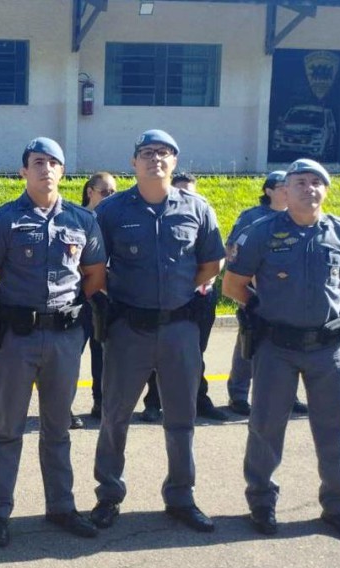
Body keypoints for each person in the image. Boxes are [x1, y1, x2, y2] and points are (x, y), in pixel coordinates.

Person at [222, 159, 340, 541]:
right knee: (265, 429)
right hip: (277, 347)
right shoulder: (261, 232)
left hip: (328, 349)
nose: (309, 188)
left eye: (317, 182)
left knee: (333, 432)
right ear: (285, 190)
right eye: (300, 182)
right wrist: (266, 311)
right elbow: (234, 285)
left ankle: (339, 507)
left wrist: (329, 311)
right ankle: (261, 501)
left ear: (327, 190)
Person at [0, 137, 105, 547]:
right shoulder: (4, 221)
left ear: (63, 172)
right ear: (23, 172)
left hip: (65, 337)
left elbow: (94, 277)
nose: (45, 168)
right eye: (37, 162)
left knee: (58, 428)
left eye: (53, 162)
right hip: (17, 339)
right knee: (6, 429)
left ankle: (61, 507)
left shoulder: (83, 221)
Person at [90, 129, 225, 534]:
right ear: (134, 163)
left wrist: (178, 294)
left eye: (164, 153)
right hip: (129, 328)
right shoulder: (111, 211)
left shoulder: (198, 209)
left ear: (175, 162)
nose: (156, 159)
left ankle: (181, 496)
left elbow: (211, 264)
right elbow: (95, 268)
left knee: (181, 417)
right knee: (115, 416)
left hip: (180, 328)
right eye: (147, 153)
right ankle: (108, 496)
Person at [137, 172, 228, 423]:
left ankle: (199, 399)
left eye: (190, 191)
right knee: (161, 352)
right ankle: (154, 402)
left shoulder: (203, 214)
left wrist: (203, 280)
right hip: (173, 297)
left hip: (202, 296)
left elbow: (216, 255)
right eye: (181, 191)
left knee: (197, 353)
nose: (186, 195)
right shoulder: (163, 219)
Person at [225, 171, 309, 416]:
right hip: (255, 292)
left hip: (289, 295)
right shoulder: (253, 217)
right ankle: (238, 395)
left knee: (289, 345)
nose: (288, 189)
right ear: (269, 190)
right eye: (283, 185)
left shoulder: (297, 217)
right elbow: (233, 250)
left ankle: (288, 395)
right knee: (249, 343)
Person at [77, 172, 117, 425]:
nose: (110, 197)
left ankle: (100, 402)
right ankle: (62, 408)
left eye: (114, 192)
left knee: (101, 352)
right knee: (72, 353)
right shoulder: (78, 218)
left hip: (106, 296)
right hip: (80, 294)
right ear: (90, 191)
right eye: (106, 192)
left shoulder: (113, 220)